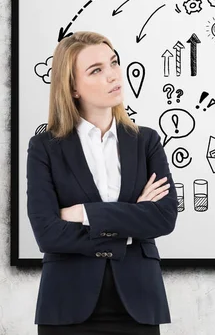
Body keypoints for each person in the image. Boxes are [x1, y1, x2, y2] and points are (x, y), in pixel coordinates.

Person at [27, 31, 178, 334]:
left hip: (138, 306)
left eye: (113, 63)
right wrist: (131, 223)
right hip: (67, 305)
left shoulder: (146, 141)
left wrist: (84, 213)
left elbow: (163, 217)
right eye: (96, 70)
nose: (113, 75)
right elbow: (47, 234)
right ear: (72, 88)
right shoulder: (45, 146)